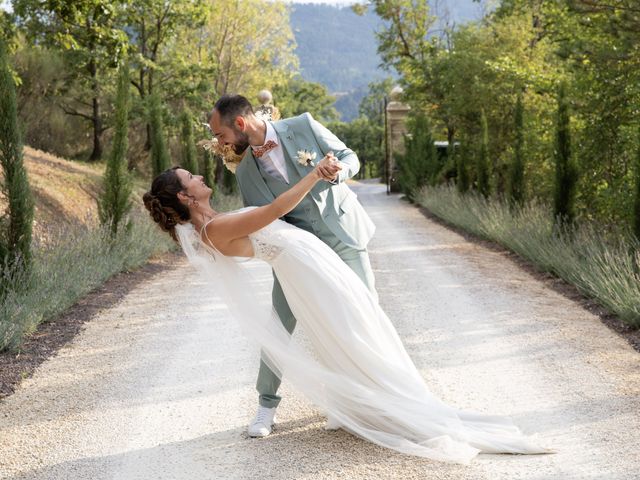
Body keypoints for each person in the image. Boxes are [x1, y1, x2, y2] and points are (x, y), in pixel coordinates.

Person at [142, 161, 551, 464]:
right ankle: (402, 406)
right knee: (357, 335)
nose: (198, 176)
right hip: (308, 272)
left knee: (362, 330)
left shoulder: (212, 223)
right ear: (184, 196)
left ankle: (388, 399)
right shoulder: (212, 231)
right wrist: (315, 174)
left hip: (311, 264)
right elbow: (275, 211)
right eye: (190, 178)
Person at [208, 94, 376, 437]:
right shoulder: (245, 174)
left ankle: (349, 402)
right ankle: (265, 408)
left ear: (240, 124)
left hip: (343, 235)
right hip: (300, 251)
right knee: (279, 324)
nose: (219, 142)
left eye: (221, 135)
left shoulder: (303, 125)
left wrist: (339, 170)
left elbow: (350, 157)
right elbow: (262, 222)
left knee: (366, 312)